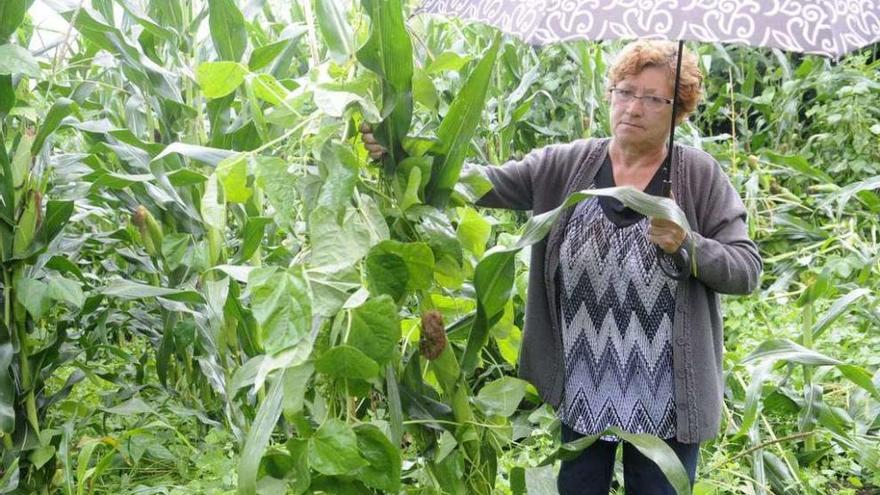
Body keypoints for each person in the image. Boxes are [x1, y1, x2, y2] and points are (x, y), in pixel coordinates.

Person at [362, 40, 762, 494]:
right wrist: (400, 149)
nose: (634, 106)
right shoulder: (566, 164)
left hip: (666, 398)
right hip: (582, 385)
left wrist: (687, 245)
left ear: (679, 109)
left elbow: (745, 268)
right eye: (625, 91)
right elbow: (476, 181)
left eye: (654, 98)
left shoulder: (699, 176)